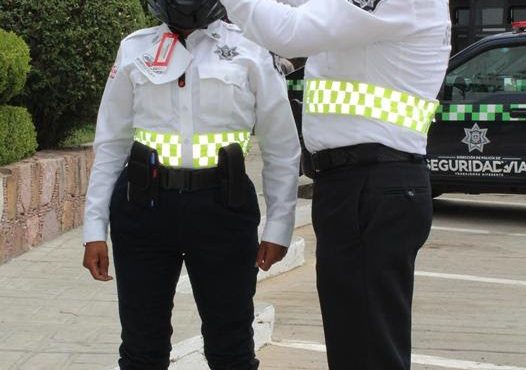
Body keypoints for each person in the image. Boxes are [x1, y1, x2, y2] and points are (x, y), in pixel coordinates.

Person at [218, 0, 451, 369]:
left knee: (368, 352)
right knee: (355, 347)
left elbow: (289, 31)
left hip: (370, 184)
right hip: (359, 184)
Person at [81, 0, 301, 368]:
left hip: (223, 210)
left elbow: (281, 147)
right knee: (140, 349)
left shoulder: (249, 49)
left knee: (231, 348)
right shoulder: (135, 49)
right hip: (143, 210)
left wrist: (279, 227)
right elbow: (110, 144)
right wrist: (93, 229)